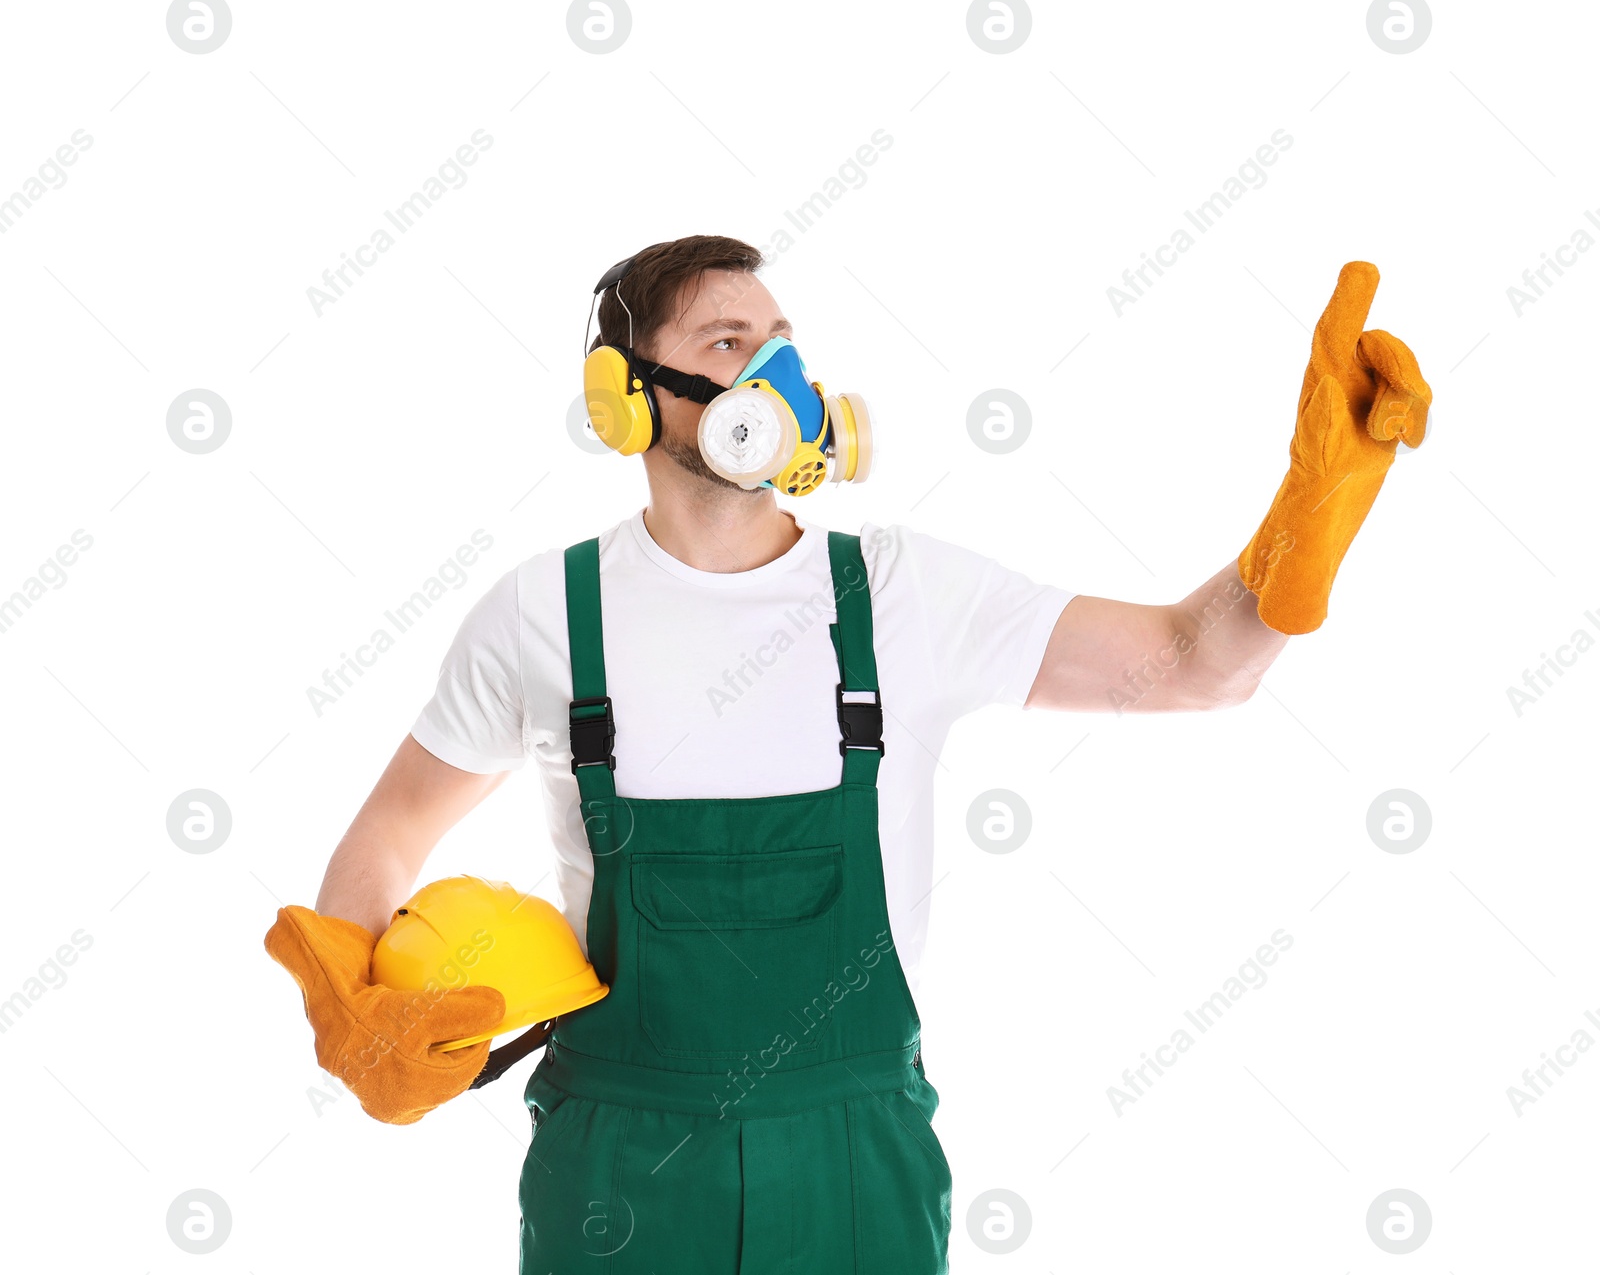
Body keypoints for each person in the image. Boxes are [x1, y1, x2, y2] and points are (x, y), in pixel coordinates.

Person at [266, 235, 1430, 1272]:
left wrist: (1312, 506)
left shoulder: (896, 594)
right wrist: (354, 1011)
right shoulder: (543, 615)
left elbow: (1193, 662)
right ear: (624, 398)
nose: (775, 377)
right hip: (620, 1170)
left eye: (783, 344)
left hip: (855, 1163)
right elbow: (390, 833)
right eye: (728, 342)